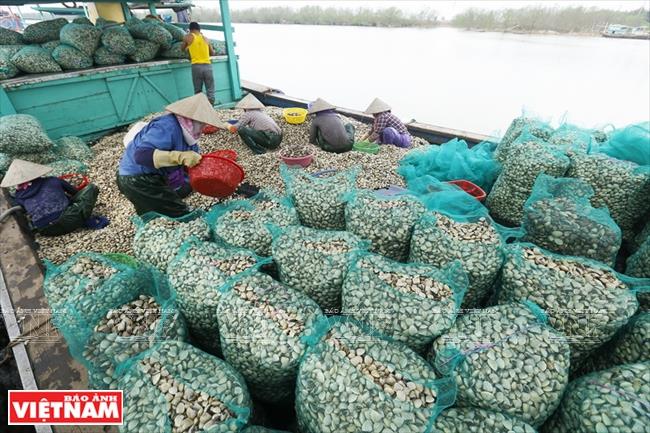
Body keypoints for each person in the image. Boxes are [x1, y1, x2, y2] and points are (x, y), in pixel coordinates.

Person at [117, 93, 225, 217]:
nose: (204, 127)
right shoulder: (167, 126)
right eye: (202, 123)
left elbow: (191, 165)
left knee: (159, 208)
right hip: (136, 179)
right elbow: (141, 156)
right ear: (192, 119)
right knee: (179, 214)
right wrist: (180, 157)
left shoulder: (190, 136)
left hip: (157, 175)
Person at [1, 159, 107, 236]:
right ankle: (85, 220)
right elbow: (75, 193)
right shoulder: (53, 180)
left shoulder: (19, 196)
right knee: (91, 188)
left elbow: (25, 210)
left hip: (46, 231)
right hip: (69, 221)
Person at [182, 22, 216, 105]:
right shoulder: (206, 38)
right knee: (210, 90)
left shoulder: (188, 37)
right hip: (208, 67)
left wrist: (188, 48)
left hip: (196, 67)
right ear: (199, 29)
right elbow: (212, 53)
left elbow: (182, 49)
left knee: (198, 91)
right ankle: (210, 109)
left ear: (190, 30)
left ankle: (199, 111)